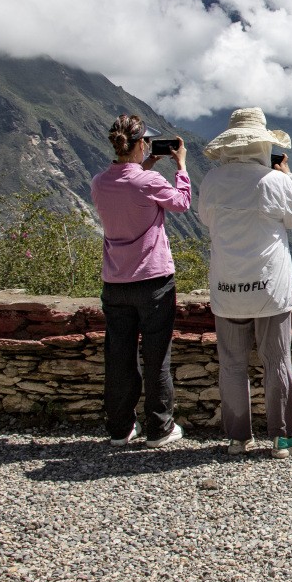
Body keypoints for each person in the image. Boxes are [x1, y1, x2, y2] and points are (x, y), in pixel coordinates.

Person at [198, 108, 292, 459]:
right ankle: (283, 436)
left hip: (227, 286)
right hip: (269, 289)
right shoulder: (274, 181)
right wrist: (289, 177)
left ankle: (237, 437)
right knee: (276, 359)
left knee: (232, 363)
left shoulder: (212, 182)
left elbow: (206, 220)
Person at [90, 114, 191, 448]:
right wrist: (181, 167)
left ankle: (120, 428)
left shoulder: (99, 182)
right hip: (153, 281)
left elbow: (127, 186)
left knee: (119, 355)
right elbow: (181, 203)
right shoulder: (148, 183)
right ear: (142, 143)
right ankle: (160, 428)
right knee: (156, 354)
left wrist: (146, 162)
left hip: (115, 281)